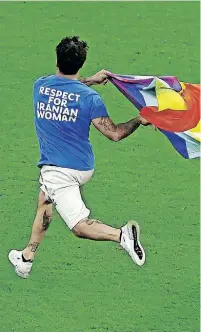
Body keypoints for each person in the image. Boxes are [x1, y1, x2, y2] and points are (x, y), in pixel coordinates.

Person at [9, 36, 149, 278]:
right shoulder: (90, 99)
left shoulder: (40, 86)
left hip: (59, 171)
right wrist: (138, 119)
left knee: (79, 227)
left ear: (57, 59)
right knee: (45, 200)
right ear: (81, 64)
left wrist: (89, 81)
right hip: (82, 165)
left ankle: (122, 235)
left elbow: (64, 90)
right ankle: (26, 258)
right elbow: (114, 133)